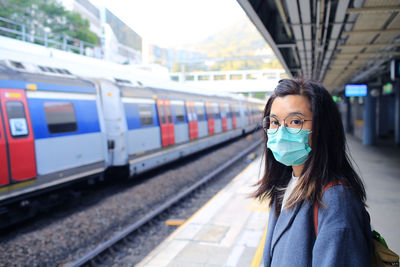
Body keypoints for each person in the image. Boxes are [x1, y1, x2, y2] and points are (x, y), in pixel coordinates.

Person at [255, 78, 372, 266]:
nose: (281, 131)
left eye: (295, 121)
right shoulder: (285, 185)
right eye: (274, 122)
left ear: (323, 128)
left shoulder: (336, 201)